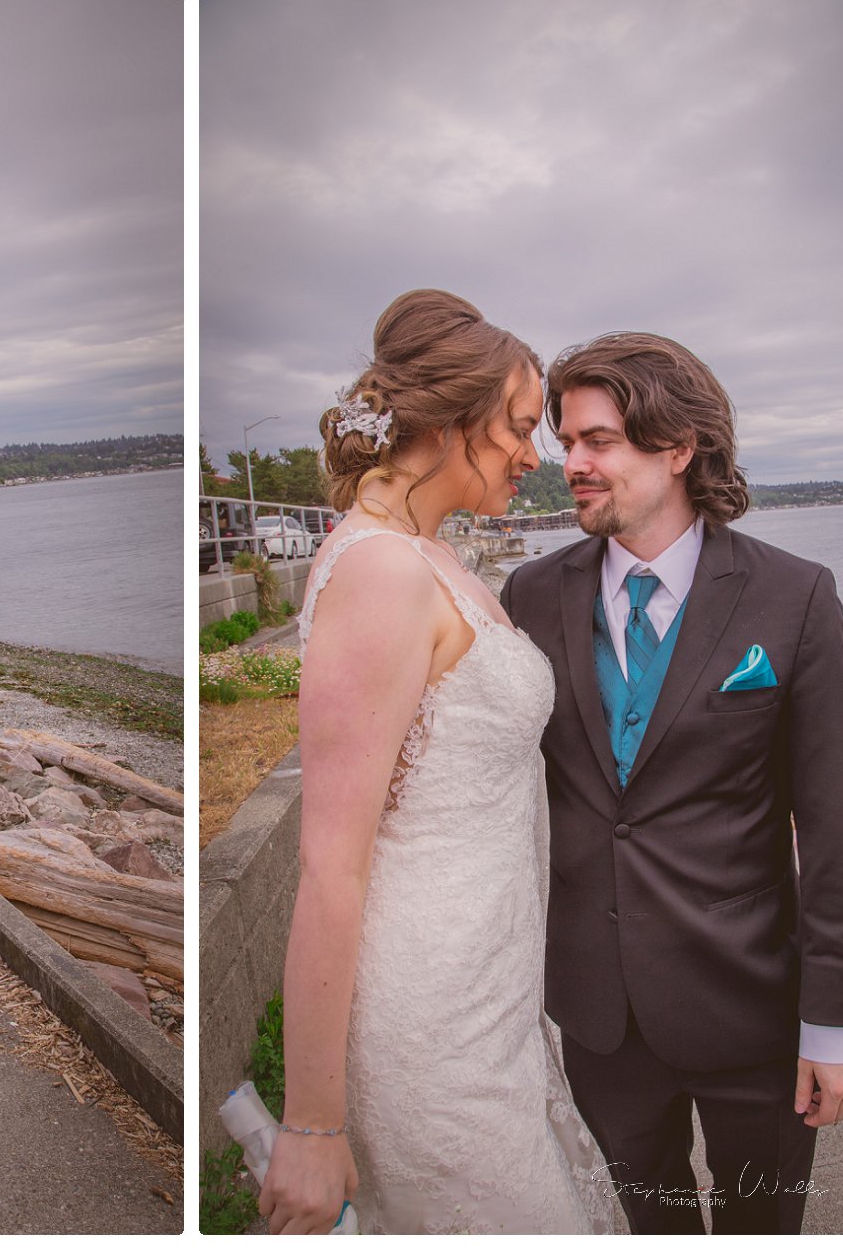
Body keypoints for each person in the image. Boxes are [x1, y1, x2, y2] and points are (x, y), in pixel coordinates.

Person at [258, 290, 618, 1235]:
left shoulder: (432, 556)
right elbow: (330, 860)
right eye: (517, 427)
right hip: (431, 1024)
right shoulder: (379, 572)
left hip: (490, 992)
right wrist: (310, 1118)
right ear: (453, 419)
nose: (533, 455)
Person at [500, 332, 843, 1233]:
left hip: (752, 1011)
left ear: (677, 446)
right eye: (565, 441)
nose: (571, 464)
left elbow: (832, 829)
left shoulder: (795, 598)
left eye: (598, 440)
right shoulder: (527, 596)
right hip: (598, 1015)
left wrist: (832, 1025)